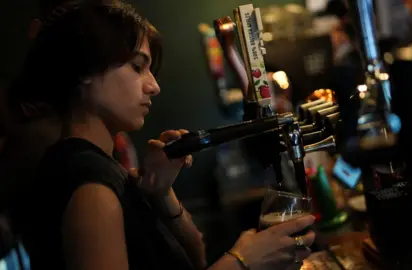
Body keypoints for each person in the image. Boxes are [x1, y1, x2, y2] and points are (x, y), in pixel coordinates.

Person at [10, 0, 316, 270]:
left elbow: (195, 259)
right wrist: (243, 261)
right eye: (137, 67)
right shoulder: (90, 187)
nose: (153, 86)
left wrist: (160, 193)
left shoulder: (103, 166)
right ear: (83, 70)